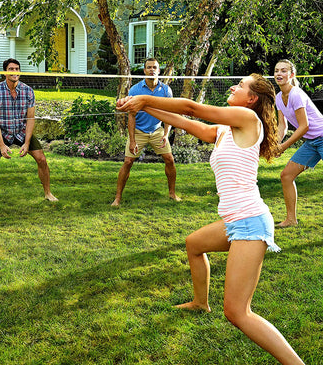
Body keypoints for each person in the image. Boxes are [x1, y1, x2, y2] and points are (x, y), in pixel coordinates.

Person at [116, 74, 304, 364]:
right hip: (235, 221)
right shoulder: (226, 130)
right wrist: (140, 108)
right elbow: (187, 122)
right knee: (194, 244)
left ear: (251, 99)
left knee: (237, 312)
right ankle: (200, 303)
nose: (232, 87)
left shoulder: (246, 119)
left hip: (250, 222)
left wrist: (144, 98)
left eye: (239, 86)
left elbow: (191, 109)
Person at [0, 58, 58, 208]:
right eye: (11, 69)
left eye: (17, 69)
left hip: (21, 131)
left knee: (41, 159)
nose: (14, 72)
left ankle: (48, 193)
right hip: (2, 133)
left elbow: (30, 119)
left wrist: (27, 143)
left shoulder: (28, 91)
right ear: (5, 72)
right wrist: (1, 145)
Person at [111, 58, 181, 206]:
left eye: (154, 67)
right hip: (138, 131)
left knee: (170, 160)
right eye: (148, 67)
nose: (152, 70)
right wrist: (133, 140)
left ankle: (172, 193)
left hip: (157, 131)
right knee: (128, 161)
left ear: (159, 70)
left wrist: (166, 135)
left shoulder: (166, 90)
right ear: (144, 71)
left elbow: (169, 114)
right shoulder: (135, 90)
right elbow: (131, 116)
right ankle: (117, 198)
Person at [274, 59, 323, 226]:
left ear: (291, 75)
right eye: (276, 71)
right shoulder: (279, 97)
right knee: (286, 176)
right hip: (312, 142)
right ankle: (291, 219)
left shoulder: (296, 94)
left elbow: (304, 126)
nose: (279, 74)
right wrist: (275, 144)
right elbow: (282, 125)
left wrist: (283, 147)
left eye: (283, 71)